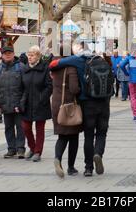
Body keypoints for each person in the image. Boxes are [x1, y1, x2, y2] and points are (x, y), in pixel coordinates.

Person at [49, 41, 112, 177]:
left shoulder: (77, 59)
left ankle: (88, 168)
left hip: (87, 103)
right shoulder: (101, 59)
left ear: (80, 49)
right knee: (102, 133)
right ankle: (98, 154)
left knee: (88, 136)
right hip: (104, 103)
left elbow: (54, 64)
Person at [50, 45, 82, 178]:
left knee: (62, 136)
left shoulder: (54, 67)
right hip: (69, 106)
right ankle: (71, 167)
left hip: (57, 104)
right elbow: (74, 89)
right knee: (73, 137)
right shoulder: (71, 67)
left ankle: (58, 158)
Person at [0, 46, 26, 159]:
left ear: (13, 54)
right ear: (2, 55)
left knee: (20, 127)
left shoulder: (21, 67)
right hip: (5, 104)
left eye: (9, 53)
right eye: (5, 53)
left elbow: (26, 87)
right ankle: (11, 149)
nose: (7, 55)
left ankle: (21, 149)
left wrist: (22, 102)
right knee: (8, 128)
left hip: (18, 104)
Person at [19, 46, 53, 162]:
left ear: (38, 56)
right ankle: (32, 148)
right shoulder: (25, 69)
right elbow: (21, 86)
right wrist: (21, 101)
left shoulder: (44, 68)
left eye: (32, 55)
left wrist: (42, 98)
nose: (29, 57)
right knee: (26, 127)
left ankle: (38, 152)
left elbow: (49, 86)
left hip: (40, 103)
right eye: (29, 55)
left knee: (39, 129)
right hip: (27, 102)